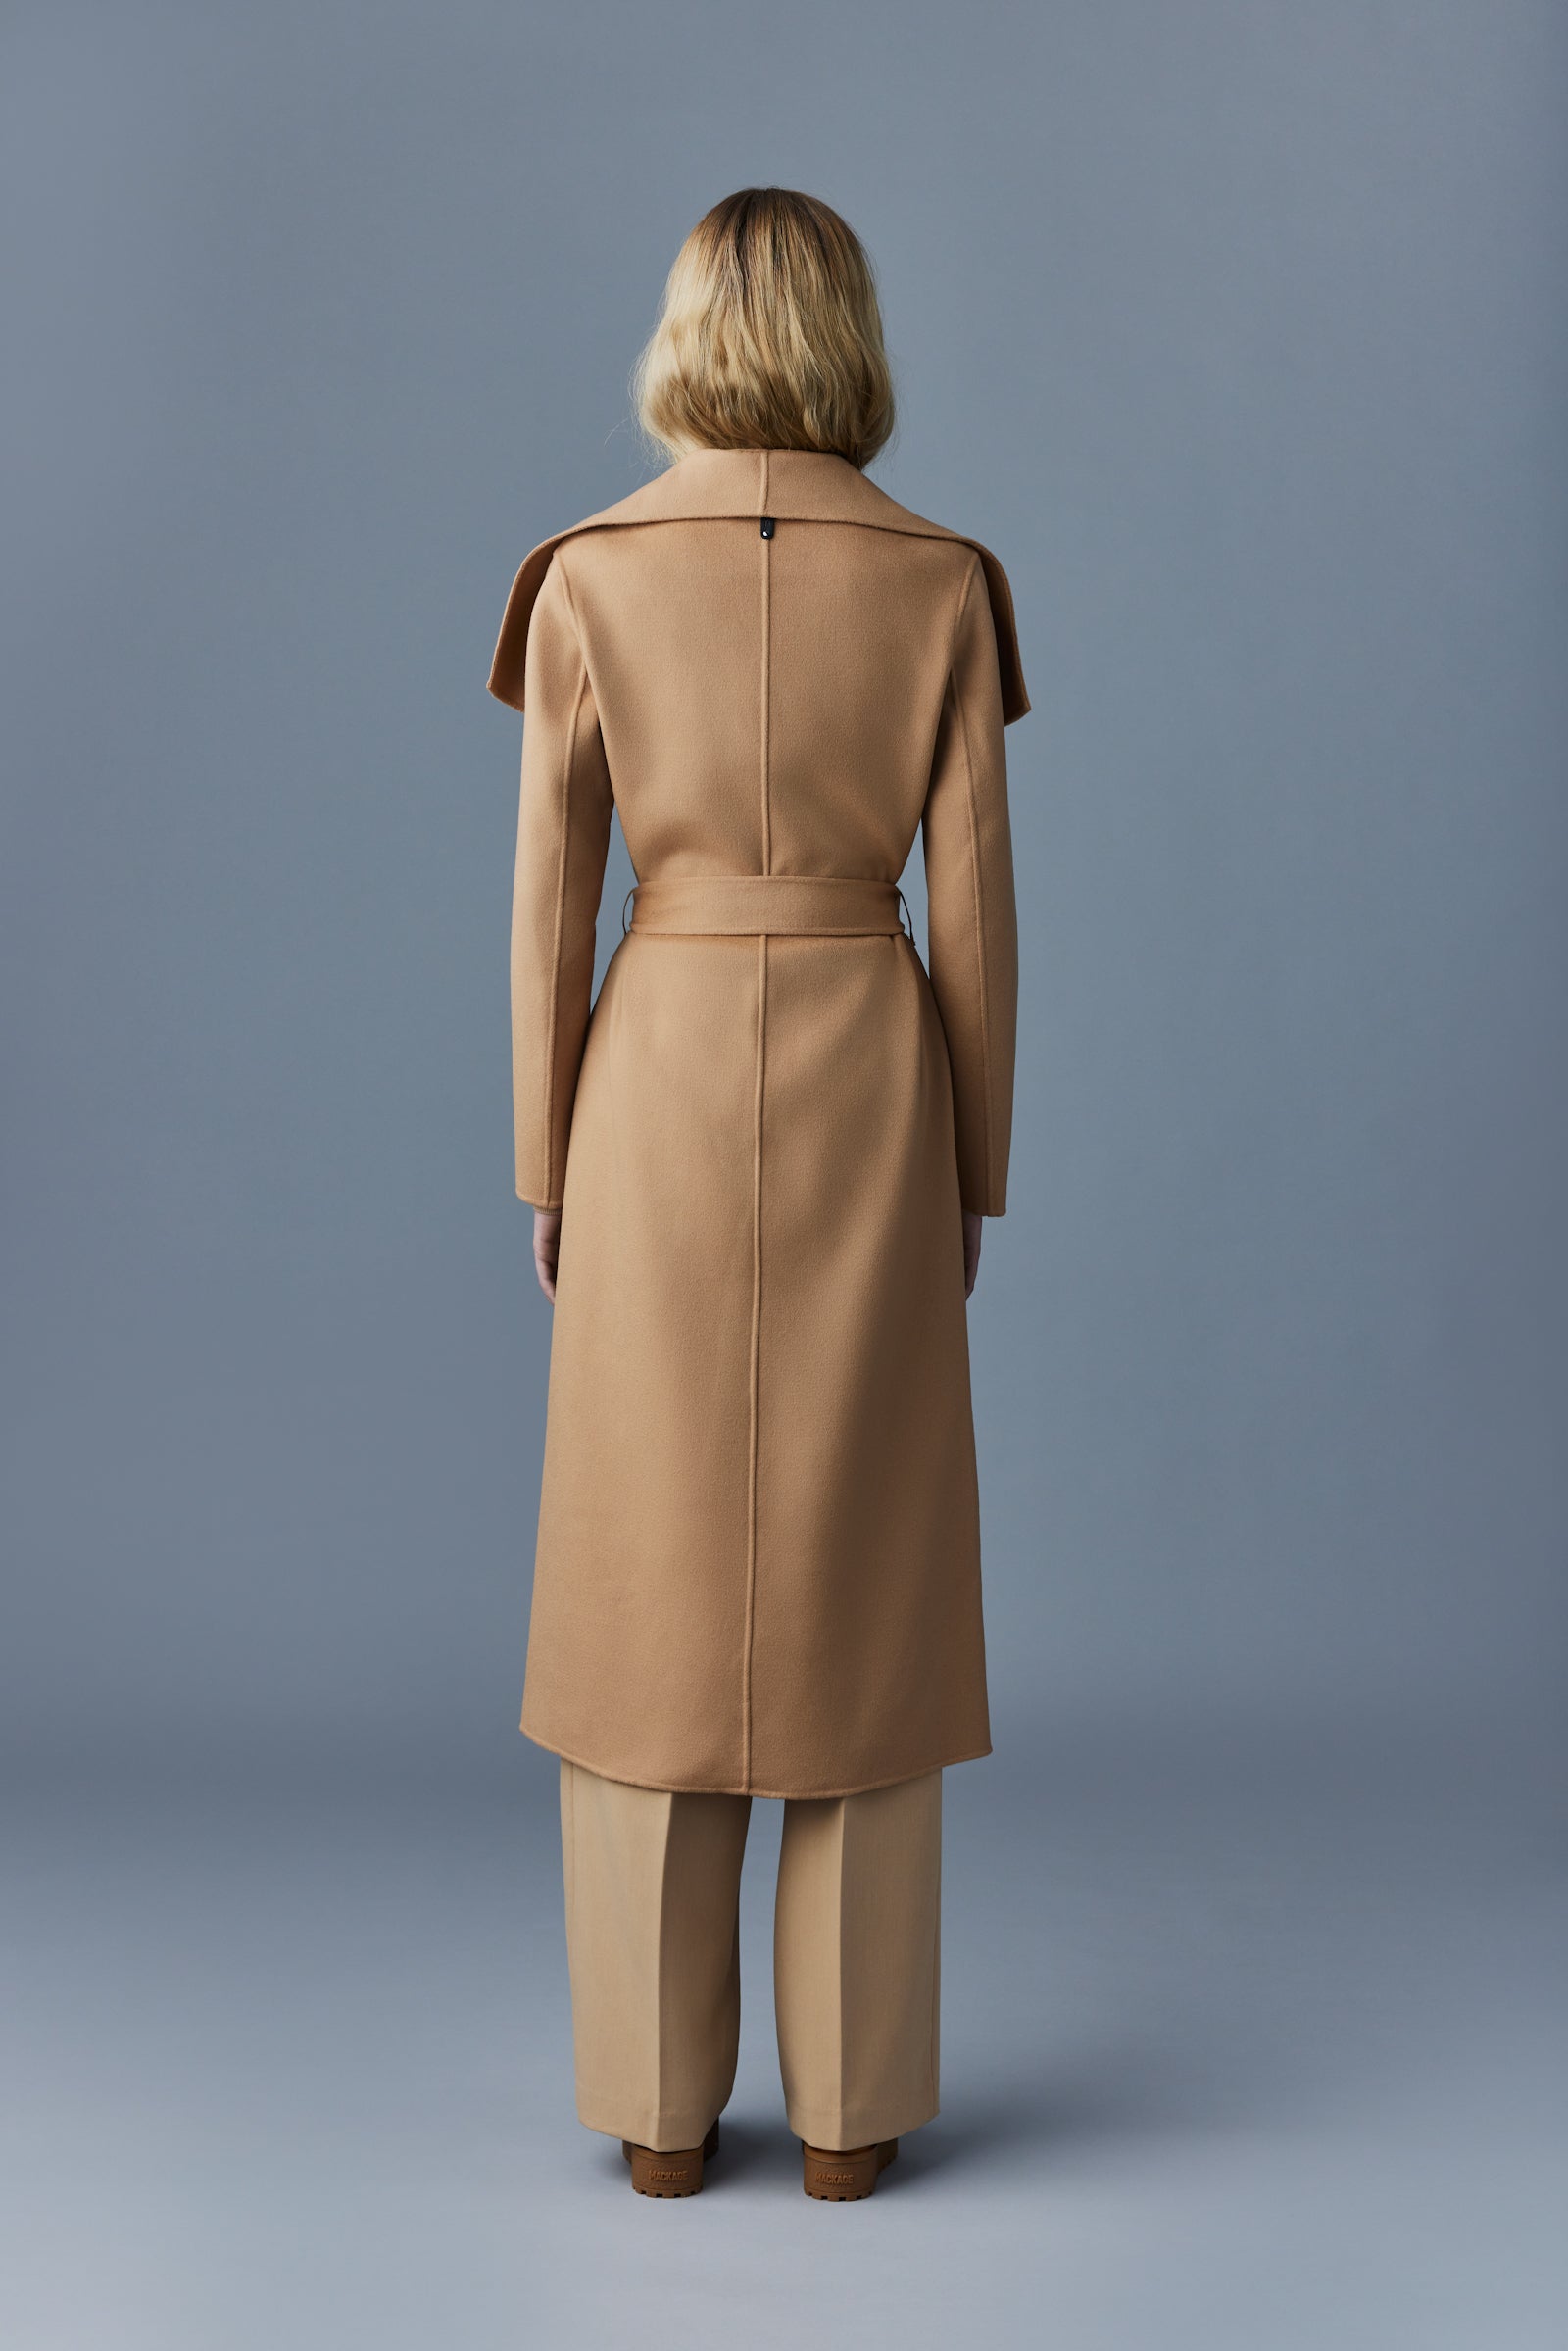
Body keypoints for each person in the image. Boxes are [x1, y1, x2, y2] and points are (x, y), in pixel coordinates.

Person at [486, 187, 1026, 2201]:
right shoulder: (942, 581)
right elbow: (975, 910)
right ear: (849, 336)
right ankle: (852, 2116)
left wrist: (545, 1159)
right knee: (864, 1573)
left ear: (687, 332)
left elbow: (552, 901)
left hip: (653, 1072)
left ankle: (654, 2111)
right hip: (874, 1071)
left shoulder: (590, 575)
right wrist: (971, 1166)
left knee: (646, 1567)